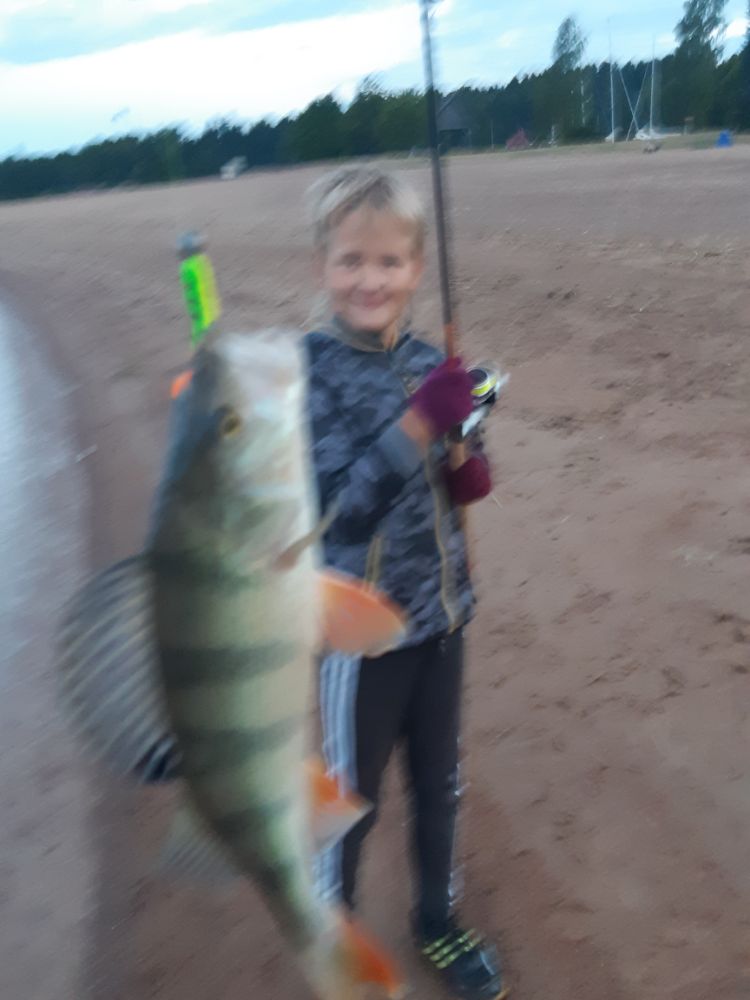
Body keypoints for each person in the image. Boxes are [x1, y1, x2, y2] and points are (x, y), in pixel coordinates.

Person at [305, 164, 507, 1000]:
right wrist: (424, 418)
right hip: (361, 636)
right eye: (351, 260)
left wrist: (464, 437)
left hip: (441, 621)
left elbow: (467, 484)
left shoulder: (431, 362)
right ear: (324, 265)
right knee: (348, 799)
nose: (371, 280)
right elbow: (340, 512)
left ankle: (437, 918)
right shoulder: (311, 374)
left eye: (389, 262)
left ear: (417, 269)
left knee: (440, 786)